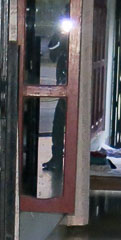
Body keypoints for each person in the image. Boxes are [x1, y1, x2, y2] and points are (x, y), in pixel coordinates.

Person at [42, 28, 69, 172]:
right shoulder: (61, 40)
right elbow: (52, 52)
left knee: (62, 125)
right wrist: (59, 35)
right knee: (57, 126)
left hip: (70, 89)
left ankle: (61, 159)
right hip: (63, 89)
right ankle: (56, 158)